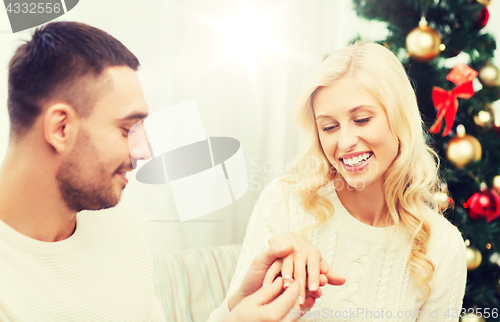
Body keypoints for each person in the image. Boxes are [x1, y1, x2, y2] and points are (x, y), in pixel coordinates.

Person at [0, 21, 339, 322]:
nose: (144, 152)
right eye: (126, 129)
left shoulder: (114, 220)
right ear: (61, 128)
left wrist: (239, 304)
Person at [208, 42, 467, 322]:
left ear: (400, 119)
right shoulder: (285, 202)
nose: (344, 142)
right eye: (329, 127)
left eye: (362, 119)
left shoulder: (441, 246)